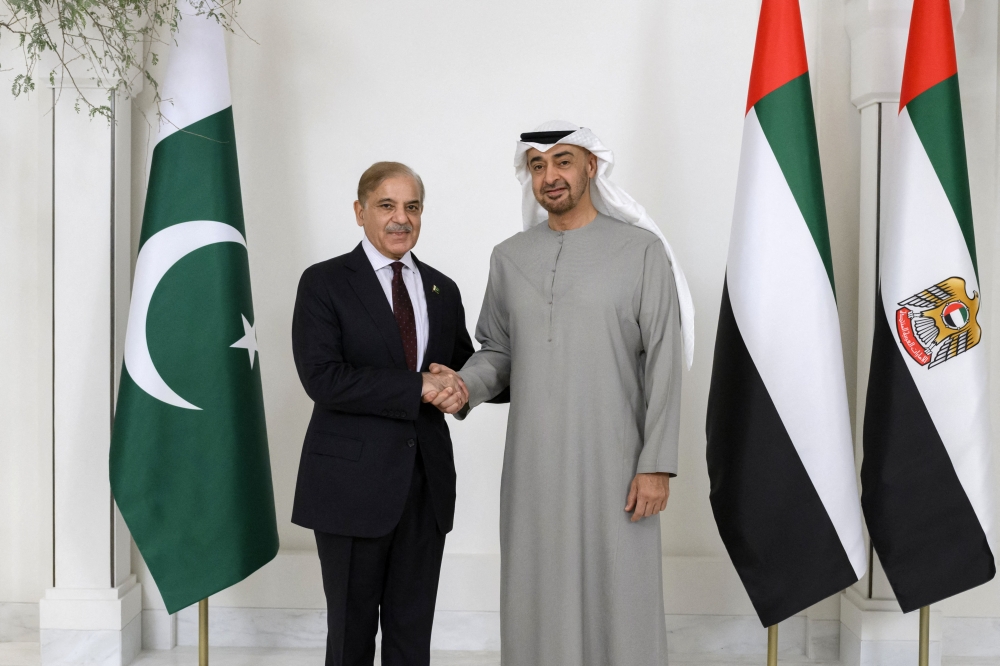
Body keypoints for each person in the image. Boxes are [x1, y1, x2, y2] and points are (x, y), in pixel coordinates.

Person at [430, 121, 695, 666]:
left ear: (591, 167)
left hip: (617, 463)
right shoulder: (509, 256)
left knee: (622, 593)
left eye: (563, 161)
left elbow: (666, 360)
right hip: (534, 466)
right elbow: (498, 351)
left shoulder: (641, 251)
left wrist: (657, 464)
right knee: (536, 589)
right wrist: (462, 385)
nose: (550, 176)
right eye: (537, 166)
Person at [290, 161, 473, 666]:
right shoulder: (324, 282)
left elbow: (458, 369)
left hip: (425, 488)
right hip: (350, 489)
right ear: (360, 212)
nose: (401, 219)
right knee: (349, 639)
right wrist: (418, 385)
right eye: (387, 206)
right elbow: (323, 378)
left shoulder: (441, 288)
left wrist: (469, 386)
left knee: (412, 637)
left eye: (412, 207)